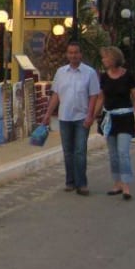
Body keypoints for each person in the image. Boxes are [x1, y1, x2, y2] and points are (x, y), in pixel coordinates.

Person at [41, 41, 99, 195]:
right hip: (65, 117)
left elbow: (94, 96)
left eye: (76, 52)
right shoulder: (61, 72)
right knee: (68, 151)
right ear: (67, 54)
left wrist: (90, 115)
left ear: (81, 54)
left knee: (80, 151)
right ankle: (70, 182)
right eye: (70, 53)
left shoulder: (90, 73)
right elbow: (56, 95)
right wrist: (48, 114)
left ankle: (82, 184)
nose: (73, 56)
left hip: (82, 117)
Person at [94, 45, 135, 201]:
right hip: (110, 118)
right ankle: (117, 183)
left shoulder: (128, 76)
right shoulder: (104, 77)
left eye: (105, 57)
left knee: (123, 152)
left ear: (113, 59)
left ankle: (126, 185)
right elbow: (101, 97)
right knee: (113, 154)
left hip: (126, 118)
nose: (103, 60)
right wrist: (95, 115)